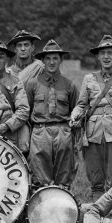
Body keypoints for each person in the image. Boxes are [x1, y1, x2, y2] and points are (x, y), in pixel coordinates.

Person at [69, 35, 112, 201]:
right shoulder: (89, 79)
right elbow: (81, 104)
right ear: (98, 56)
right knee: (95, 174)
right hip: (93, 133)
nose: (106, 56)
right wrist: (75, 114)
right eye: (103, 53)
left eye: (110, 52)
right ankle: (97, 211)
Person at [24, 39, 79, 189]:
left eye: (55, 58)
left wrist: (71, 134)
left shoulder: (70, 85)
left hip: (63, 131)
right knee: (40, 178)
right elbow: (26, 110)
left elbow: (76, 110)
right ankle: (41, 208)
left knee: (64, 176)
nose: (52, 62)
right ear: (43, 60)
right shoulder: (33, 84)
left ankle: (64, 207)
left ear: (61, 60)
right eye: (48, 58)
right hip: (40, 132)